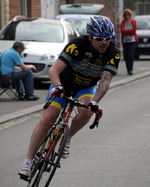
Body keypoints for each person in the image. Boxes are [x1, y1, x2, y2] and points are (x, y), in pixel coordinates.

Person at [19, 16, 120, 179]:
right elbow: (54, 70)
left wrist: (95, 101)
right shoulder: (77, 45)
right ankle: (28, 162)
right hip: (63, 83)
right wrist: (58, 86)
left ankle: (67, 138)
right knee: (48, 118)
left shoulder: (113, 53)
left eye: (108, 38)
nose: (104, 42)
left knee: (87, 112)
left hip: (85, 87)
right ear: (90, 37)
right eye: (99, 38)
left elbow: (105, 80)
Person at [120, 9, 138, 75]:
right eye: (125, 14)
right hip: (125, 41)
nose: (127, 16)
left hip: (132, 41)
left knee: (130, 55)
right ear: (124, 16)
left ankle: (130, 69)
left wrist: (126, 32)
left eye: (128, 14)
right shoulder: (122, 23)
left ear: (130, 15)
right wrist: (129, 32)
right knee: (126, 56)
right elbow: (122, 31)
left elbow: (133, 32)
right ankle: (128, 68)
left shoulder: (133, 22)